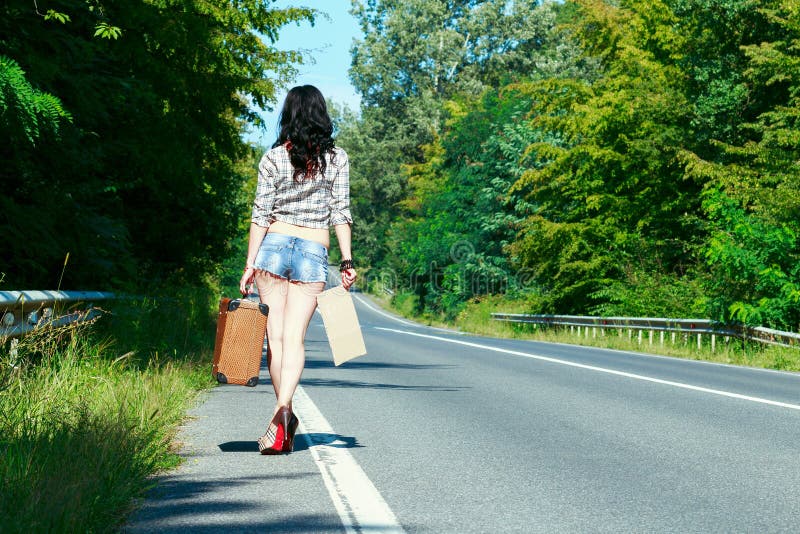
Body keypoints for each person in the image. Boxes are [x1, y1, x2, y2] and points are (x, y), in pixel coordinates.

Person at [239, 85, 357, 455]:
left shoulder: (272, 157)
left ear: (287, 115)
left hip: (272, 249)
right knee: (295, 340)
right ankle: (283, 413)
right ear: (322, 114)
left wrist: (249, 264)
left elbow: (260, 213)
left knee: (275, 341)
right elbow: (341, 212)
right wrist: (347, 261)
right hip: (312, 250)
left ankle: (282, 413)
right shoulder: (338, 159)